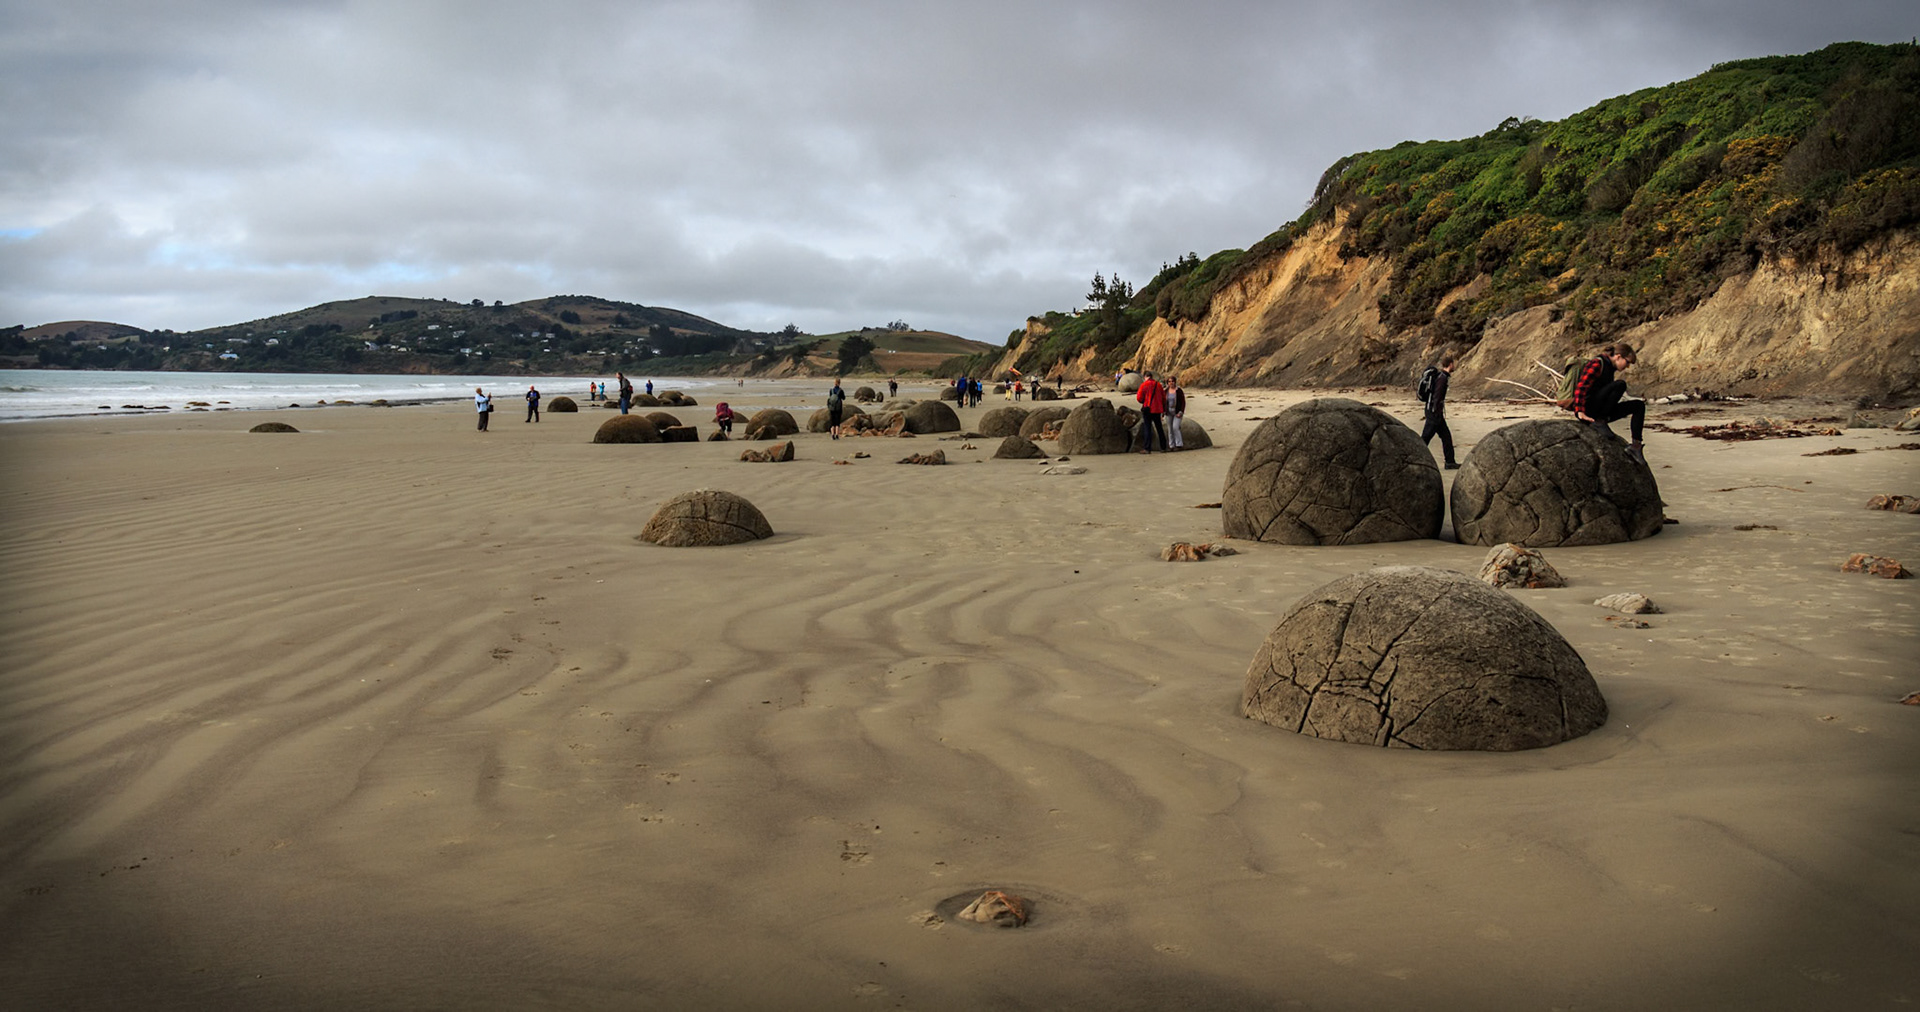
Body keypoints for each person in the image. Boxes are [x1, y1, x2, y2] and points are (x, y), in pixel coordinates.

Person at [1570, 342, 1647, 462]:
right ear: (1618, 356)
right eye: (1627, 362)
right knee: (1620, 385)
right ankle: (1600, 421)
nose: (1627, 367)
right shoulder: (1597, 363)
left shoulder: (1610, 368)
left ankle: (1636, 446)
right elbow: (1581, 387)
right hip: (1589, 411)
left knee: (1639, 405)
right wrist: (1579, 411)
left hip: (1601, 411)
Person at [1419, 356, 1458, 469]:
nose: (1454, 366)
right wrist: (1436, 412)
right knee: (1425, 438)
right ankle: (1415, 457)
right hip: (1434, 413)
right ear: (1450, 364)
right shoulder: (1442, 378)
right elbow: (1437, 395)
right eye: (1453, 364)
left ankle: (1450, 462)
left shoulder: (1441, 376)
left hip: (1434, 412)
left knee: (1446, 437)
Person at [1135, 370, 1167, 453]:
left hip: (1147, 409)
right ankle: (1163, 447)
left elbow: (1139, 398)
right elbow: (1164, 398)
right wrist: (1162, 408)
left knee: (1147, 428)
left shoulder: (1144, 385)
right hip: (1157, 409)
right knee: (1159, 428)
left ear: (1145, 377)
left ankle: (1147, 448)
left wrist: (1144, 401)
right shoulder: (1158, 385)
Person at [1165, 377, 1186, 450]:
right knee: (1170, 429)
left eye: (1172, 381)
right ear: (1167, 383)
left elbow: (1183, 402)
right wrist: (1162, 412)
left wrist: (1181, 412)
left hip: (1177, 412)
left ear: (1175, 382)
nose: (1171, 383)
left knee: (1175, 427)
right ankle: (1171, 445)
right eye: (1169, 381)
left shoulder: (1179, 391)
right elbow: (1163, 402)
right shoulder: (1166, 391)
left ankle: (1179, 444)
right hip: (1168, 412)